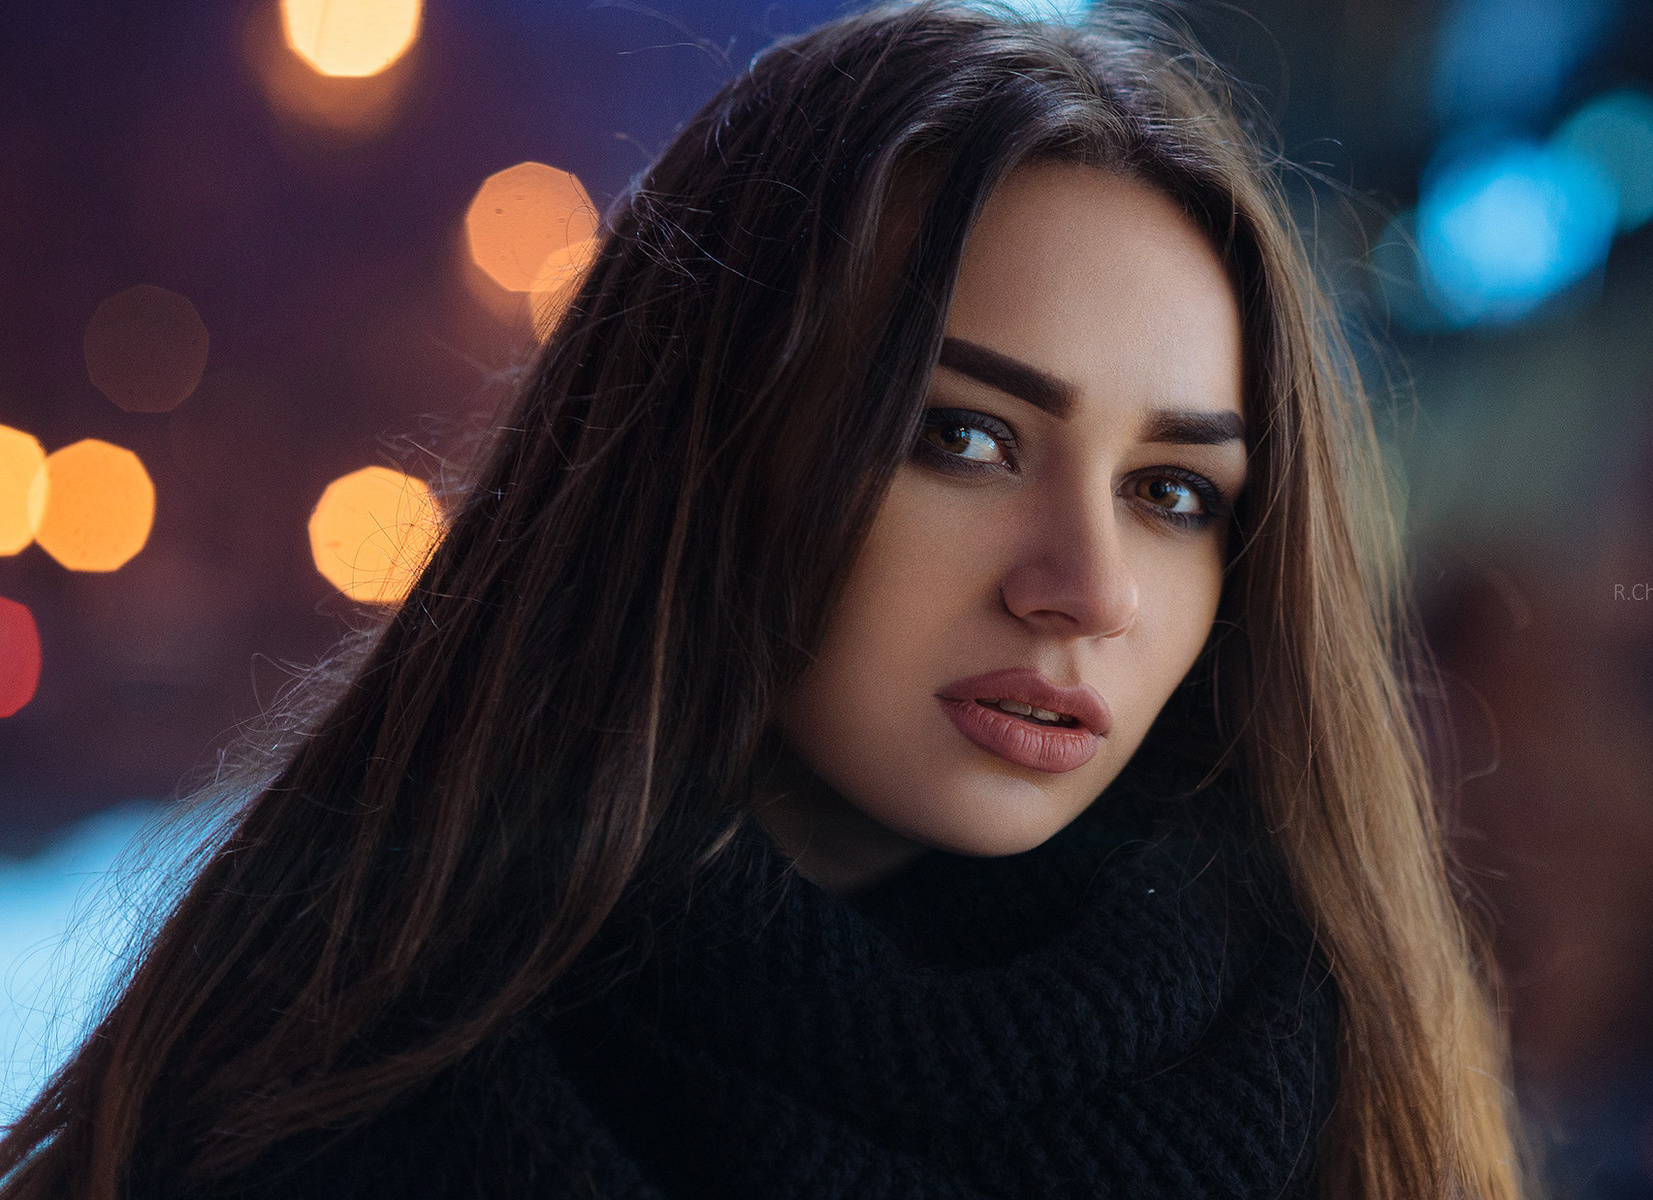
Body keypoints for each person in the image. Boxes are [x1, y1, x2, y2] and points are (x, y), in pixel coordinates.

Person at [0, 3, 1524, 1197]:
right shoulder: (309, 1104)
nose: (1088, 590)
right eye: (965, 437)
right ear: (708, 440)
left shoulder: (1341, 1094)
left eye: (1172, 491)